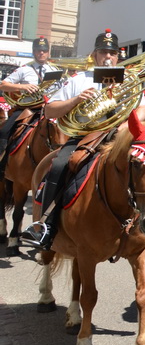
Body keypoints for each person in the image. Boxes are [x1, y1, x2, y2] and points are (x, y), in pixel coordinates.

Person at [21, 29, 122, 249]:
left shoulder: (127, 81)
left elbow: (142, 112)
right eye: (103, 52)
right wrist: (75, 100)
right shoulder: (80, 79)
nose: (108, 57)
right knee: (58, 166)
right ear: (94, 55)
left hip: (118, 138)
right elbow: (50, 110)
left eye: (112, 53)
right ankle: (46, 226)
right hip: (84, 137)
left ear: (117, 57)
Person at [0, 37, 57, 167]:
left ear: (48, 52)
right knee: (5, 131)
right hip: (27, 109)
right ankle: (2, 165)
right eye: (38, 50)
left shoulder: (54, 70)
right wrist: (23, 87)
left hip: (49, 108)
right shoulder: (24, 69)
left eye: (44, 50)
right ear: (33, 52)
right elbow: (3, 85)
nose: (41, 53)